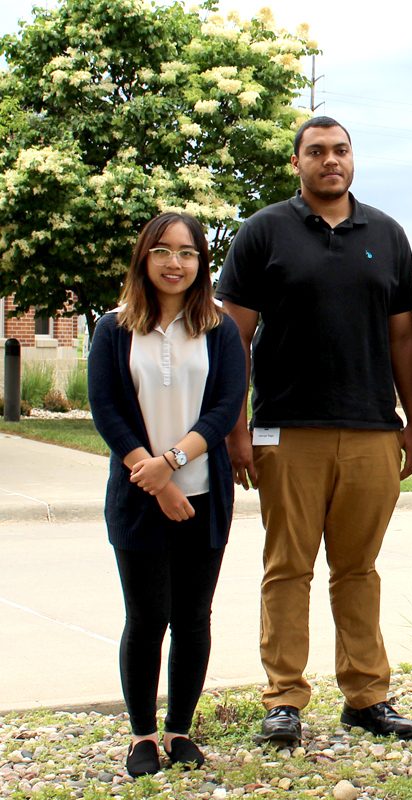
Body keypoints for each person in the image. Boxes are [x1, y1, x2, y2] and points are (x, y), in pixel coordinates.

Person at [216, 116, 412, 745]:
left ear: (353, 158)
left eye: (339, 150)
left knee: (358, 569)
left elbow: (401, 336)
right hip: (287, 430)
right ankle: (284, 699)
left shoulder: (386, 234)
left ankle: (366, 696)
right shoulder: (263, 232)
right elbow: (234, 336)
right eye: (316, 152)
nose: (329, 160)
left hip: (369, 430)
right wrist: (237, 426)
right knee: (288, 567)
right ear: (297, 162)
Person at [89, 212, 246, 776]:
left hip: (204, 495)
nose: (175, 262)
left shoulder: (220, 328)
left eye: (187, 252)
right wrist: (151, 476)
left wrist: (174, 464)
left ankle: (180, 728)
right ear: (144, 257)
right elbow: (106, 409)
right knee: (146, 617)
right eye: (163, 251)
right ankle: (142, 736)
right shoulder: (114, 327)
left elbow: (226, 406)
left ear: (202, 263)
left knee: (193, 618)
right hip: (137, 497)